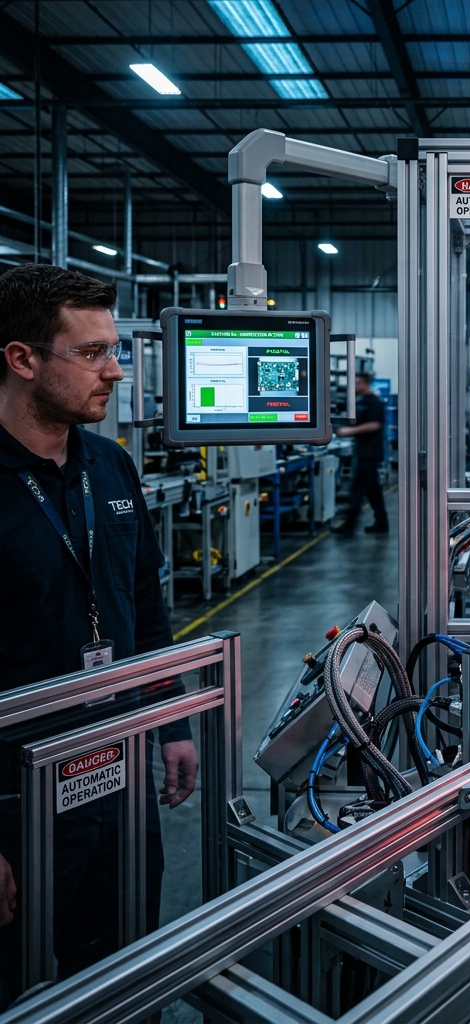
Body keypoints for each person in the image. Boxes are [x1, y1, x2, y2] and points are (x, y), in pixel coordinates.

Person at [0, 264, 197, 1008]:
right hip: (13, 793)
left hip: (115, 768)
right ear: (22, 359)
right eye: (90, 353)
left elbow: (142, 605)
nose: (114, 371)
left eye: (114, 350)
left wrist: (170, 717)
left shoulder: (110, 466)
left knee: (119, 973)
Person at [334, 371, 388, 535]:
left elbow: (374, 425)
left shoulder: (374, 403)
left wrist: (348, 431)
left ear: (366, 383)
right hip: (363, 451)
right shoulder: (361, 401)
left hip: (369, 453)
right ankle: (381, 523)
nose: (355, 386)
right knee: (373, 491)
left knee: (357, 490)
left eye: (358, 383)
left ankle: (349, 526)